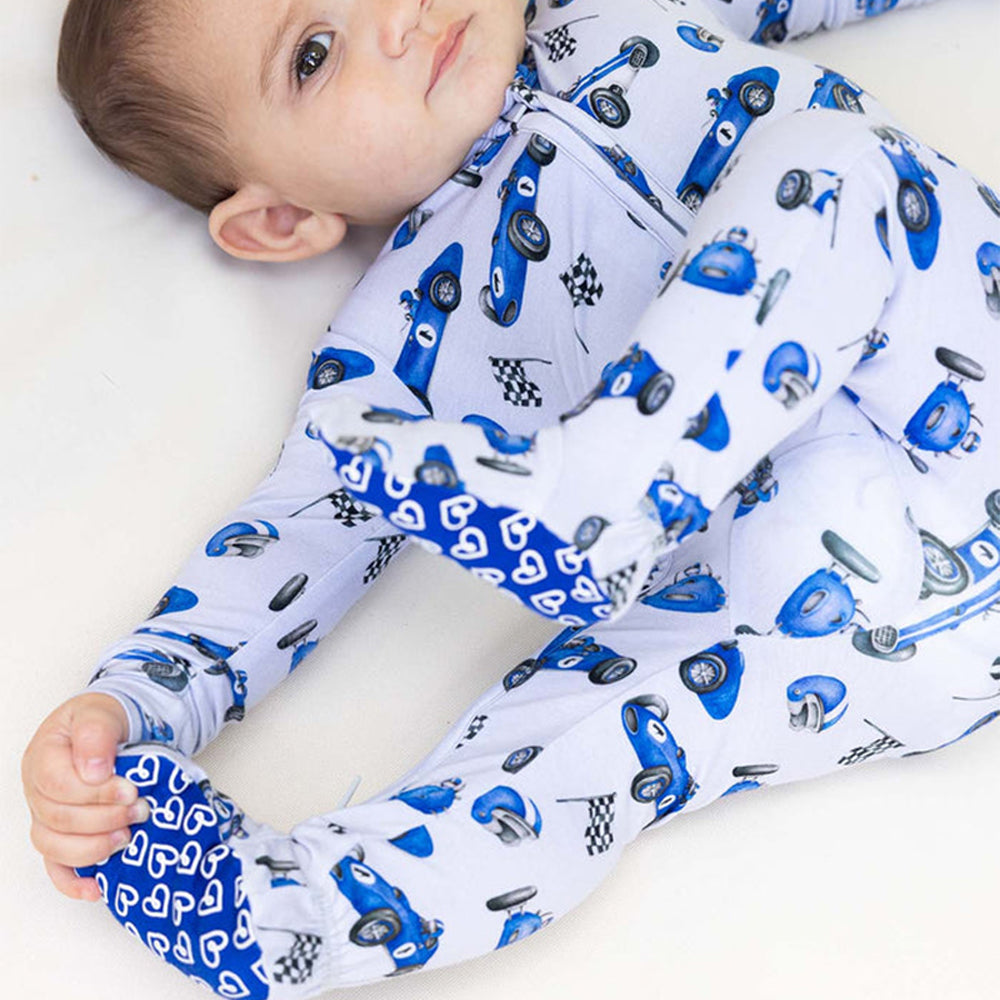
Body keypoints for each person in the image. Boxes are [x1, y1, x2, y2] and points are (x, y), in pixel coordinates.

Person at [20, 0, 999, 996]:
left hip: (964, 365)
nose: (399, 18)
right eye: (315, 55)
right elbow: (284, 542)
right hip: (839, 627)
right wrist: (130, 708)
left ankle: (615, 489)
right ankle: (304, 913)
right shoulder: (390, 367)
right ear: (283, 218)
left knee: (837, 170)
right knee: (576, 735)